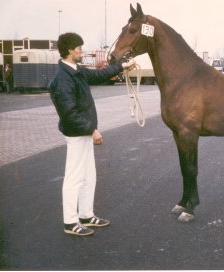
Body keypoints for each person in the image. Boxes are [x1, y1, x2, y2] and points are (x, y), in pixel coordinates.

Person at [50, 32, 133, 236]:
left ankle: (86, 215)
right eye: (79, 48)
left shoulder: (76, 70)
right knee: (74, 178)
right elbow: (69, 114)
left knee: (89, 177)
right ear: (70, 50)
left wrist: (121, 66)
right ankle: (70, 222)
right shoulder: (62, 79)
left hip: (84, 133)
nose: (82, 51)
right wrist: (91, 130)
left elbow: (98, 75)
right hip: (77, 134)